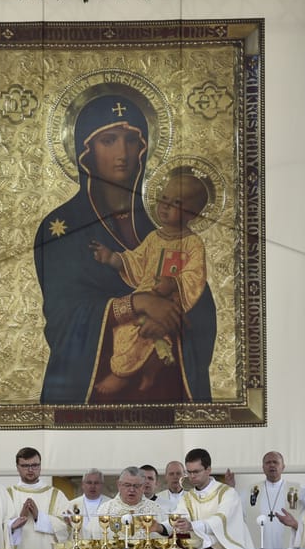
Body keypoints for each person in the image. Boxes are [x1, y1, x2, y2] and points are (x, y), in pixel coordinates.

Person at [34, 91, 217, 404]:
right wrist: (137, 304)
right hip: (86, 396)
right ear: (85, 152)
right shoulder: (62, 226)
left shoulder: (166, 229)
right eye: (109, 141)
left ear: (144, 148)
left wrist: (169, 313)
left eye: (131, 140)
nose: (123, 153)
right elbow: (63, 315)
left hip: (167, 393)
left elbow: (201, 305)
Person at [88, 169, 212, 398]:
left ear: (193, 214)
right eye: (163, 199)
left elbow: (196, 276)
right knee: (123, 331)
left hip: (170, 303)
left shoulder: (193, 243)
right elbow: (136, 262)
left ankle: (122, 375)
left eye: (176, 203)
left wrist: (173, 283)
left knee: (145, 335)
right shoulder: (154, 238)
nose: (165, 206)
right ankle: (144, 372)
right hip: (145, 297)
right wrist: (113, 259)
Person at [169, 448, 253, 549]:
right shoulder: (187, 498)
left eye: (196, 472)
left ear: (208, 470)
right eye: (189, 472)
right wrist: (159, 527)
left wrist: (192, 526)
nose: (192, 476)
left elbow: (220, 520)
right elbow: (178, 517)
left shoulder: (227, 493)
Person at [5, 448, 71, 549]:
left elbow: (67, 527)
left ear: (40, 466)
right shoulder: (7, 495)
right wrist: (13, 524)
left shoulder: (56, 495)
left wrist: (38, 517)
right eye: (25, 466)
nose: (30, 470)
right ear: (17, 467)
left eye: (35, 465)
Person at [245, 451, 303, 549]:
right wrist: (231, 487)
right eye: (268, 463)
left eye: (275, 462)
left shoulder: (297, 490)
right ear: (263, 468)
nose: (272, 465)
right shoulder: (250, 491)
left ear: (283, 467)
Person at [99, 467, 169, 541]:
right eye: (127, 485)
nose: (132, 490)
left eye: (136, 486)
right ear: (119, 485)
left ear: (143, 486)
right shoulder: (105, 509)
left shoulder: (156, 510)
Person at [68, 469, 109, 542]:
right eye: (89, 483)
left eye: (96, 483)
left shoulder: (110, 504)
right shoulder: (71, 505)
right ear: (83, 484)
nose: (92, 486)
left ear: (102, 485)